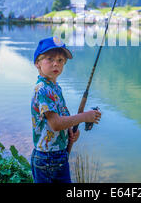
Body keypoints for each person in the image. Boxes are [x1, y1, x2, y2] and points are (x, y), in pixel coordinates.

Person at [30, 36, 101, 183]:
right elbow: (56, 124)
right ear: (37, 63)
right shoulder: (43, 89)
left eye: (60, 60)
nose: (56, 63)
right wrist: (84, 117)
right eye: (50, 59)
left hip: (57, 155)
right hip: (48, 159)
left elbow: (62, 119)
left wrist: (71, 132)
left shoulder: (54, 87)